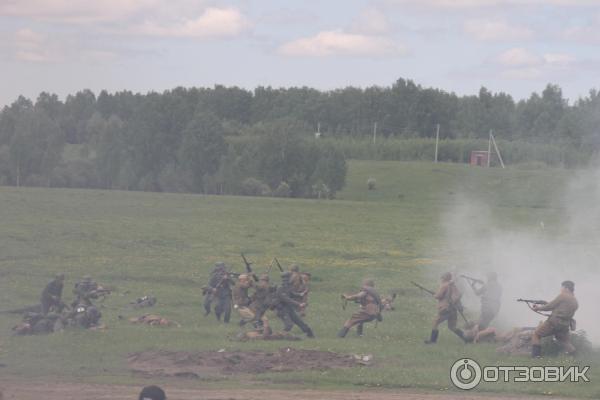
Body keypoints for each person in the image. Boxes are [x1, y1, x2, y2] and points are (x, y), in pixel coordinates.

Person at [531, 280, 578, 357]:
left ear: (566, 288)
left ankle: (536, 357)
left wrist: (538, 308)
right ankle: (575, 357)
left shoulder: (563, 295)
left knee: (536, 334)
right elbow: (562, 309)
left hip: (554, 323)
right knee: (565, 342)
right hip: (564, 325)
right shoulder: (575, 301)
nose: (561, 289)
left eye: (562, 287)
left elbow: (550, 306)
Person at [425, 272, 465, 344]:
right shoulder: (453, 285)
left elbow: (438, 296)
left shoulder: (444, 285)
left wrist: (435, 295)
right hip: (453, 308)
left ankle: (432, 341)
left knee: (435, 322)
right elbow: (459, 295)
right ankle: (466, 338)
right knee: (452, 327)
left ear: (443, 278)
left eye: (442, 277)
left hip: (445, 308)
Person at [273, 272, 314, 337]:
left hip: (289, 308)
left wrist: (301, 294)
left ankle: (310, 335)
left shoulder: (288, 287)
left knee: (300, 322)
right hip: (282, 309)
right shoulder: (280, 288)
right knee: (289, 325)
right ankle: (280, 336)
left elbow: (292, 294)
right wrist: (298, 304)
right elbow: (287, 299)